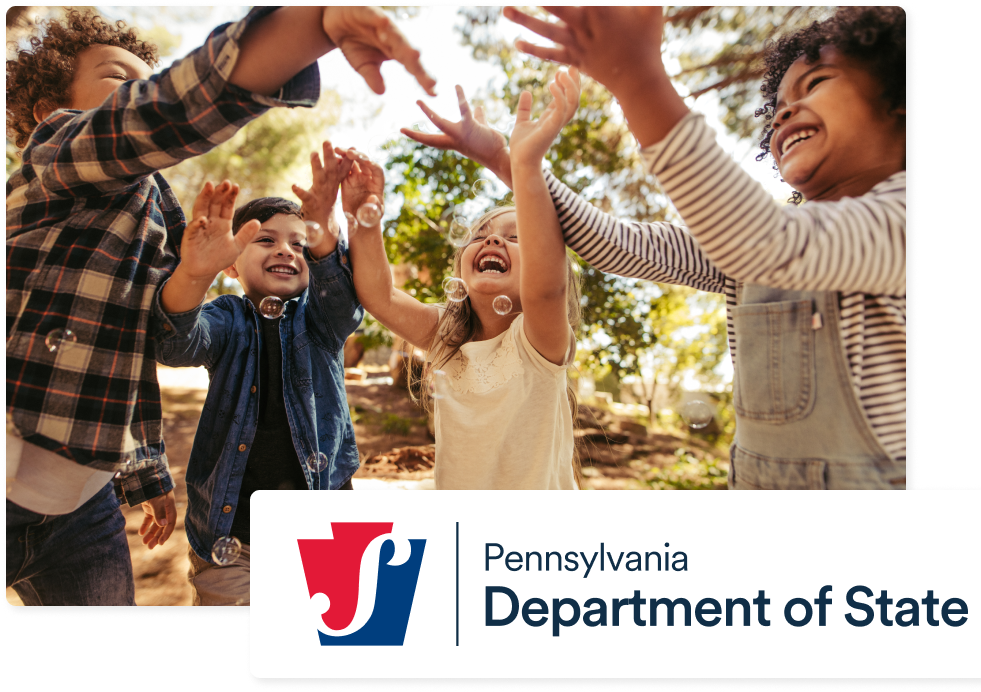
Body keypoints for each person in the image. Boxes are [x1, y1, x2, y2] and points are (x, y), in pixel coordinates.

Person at [4, 6, 433, 605]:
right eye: (115, 77)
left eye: (141, 77)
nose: (134, 89)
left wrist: (147, 470)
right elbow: (156, 116)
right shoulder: (56, 155)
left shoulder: (162, 212)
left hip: (83, 502)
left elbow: (131, 344)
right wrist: (305, 29)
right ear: (46, 110)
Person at [406, 7, 908, 490]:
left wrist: (639, 80)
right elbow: (618, 243)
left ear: (899, 102)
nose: (784, 114)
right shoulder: (747, 244)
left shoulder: (898, 219)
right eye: (775, 109)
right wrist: (514, 163)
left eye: (816, 83)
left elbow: (768, 241)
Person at [346, 72, 584, 490]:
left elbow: (547, 286)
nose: (493, 237)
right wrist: (364, 218)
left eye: (517, 237)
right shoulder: (445, 335)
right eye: (481, 235)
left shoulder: (539, 341)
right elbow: (378, 296)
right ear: (461, 267)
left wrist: (517, 161)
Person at [155, 145, 361, 606]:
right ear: (231, 263)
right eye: (265, 240)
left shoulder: (321, 320)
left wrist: (325, 229)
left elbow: (344, 300)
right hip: (234, 538)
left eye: (299, 242)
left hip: (324, 533)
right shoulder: (228, 318)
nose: (286, 250)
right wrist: (193, 272)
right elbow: (176, 343)